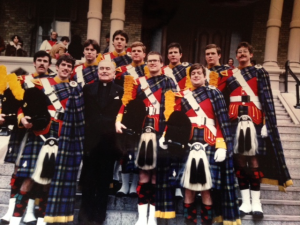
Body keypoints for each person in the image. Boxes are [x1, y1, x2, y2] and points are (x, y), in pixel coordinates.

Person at [211, 42, 293, 218]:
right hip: (234, 120)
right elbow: (219, 94)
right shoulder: (229, 73)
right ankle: (245, 201)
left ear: (250, 54)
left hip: (254, 120)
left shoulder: (259, 72)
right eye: (239, 52)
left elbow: (266, 97)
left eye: (244, 52)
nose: (241, 55)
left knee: (254, 161)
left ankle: (256, 202)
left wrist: (266, 122)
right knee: (240, 161)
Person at [2, 54, 84, 225]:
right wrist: (22, 118)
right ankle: (16, 220)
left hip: (61, 135)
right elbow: (24, 105)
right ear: (57, 66)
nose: (66, 68)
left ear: (72, 69)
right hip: (40, 133)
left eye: (69, 66)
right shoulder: (41, 84)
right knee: (28, 178)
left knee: (49, 181)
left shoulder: (75, 89)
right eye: (63, 65)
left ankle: (41, 220)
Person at [162, 63, 240, 225]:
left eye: (199, 73)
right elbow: (176, 121)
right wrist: (166, 136)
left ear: (205, 76)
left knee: (206, 188)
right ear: (190, 78)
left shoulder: (215, 93)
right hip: (188, 142)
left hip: (209, 142)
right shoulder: (182, 96)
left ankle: (206, 222)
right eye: (193, 74)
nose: (196, 75)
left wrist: (221, 144)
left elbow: (221, 122)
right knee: (187, 186)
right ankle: (189, 221)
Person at [116, 51, 177, 224]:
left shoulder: (168, 81)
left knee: (156, 176)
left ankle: (152, 218)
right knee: (143, 175)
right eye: (150, 61)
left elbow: (172, 109)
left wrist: (168, 132)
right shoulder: (137, 82)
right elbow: (126, 102)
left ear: (161, 63)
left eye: (156, 61)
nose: (152, 64)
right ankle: (142, 218)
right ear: (146, 63)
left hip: (160, 131)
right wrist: (119, 119)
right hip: (142, 130)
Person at [78, 60, 123, 225]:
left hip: (109, 142)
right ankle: (84, 218)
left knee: (104, 181)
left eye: (107, 69)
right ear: (97, 71)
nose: (104, 71)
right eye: (101, 68)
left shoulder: (121, 90)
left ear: (114, 72)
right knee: (88, 180)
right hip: (90, 140)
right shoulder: (87, 89)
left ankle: (99, 218)